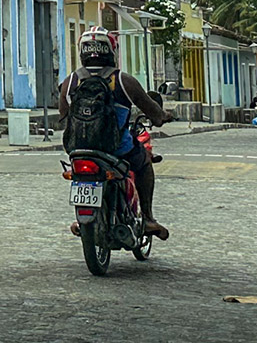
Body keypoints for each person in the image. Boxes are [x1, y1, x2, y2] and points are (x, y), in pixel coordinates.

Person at [59, 26, 175, 241]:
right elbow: (153, 113)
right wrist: (163, 116)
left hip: (78, 148)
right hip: (116, 148)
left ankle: (81, 217)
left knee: (79, 176)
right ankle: (148, 217)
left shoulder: (70, 82)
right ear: (111, 50)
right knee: (143, 164)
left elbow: (63, 113)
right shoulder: (123, 80)